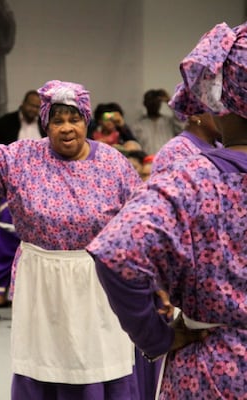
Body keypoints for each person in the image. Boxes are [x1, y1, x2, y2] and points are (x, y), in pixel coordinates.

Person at [87, 21, 247, 399]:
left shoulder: (191, 181)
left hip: (212, 371)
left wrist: (153, 336)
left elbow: (116, 253)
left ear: (222, 103)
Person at [0, 80, 142, 398]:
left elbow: (140, 218)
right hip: (42, 281)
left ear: (87, 120)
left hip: (98, 280)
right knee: (43, 364)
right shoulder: (23, 156)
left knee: (100, 362)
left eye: (75, 119)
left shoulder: (113, 163)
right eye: (57, 120)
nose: (66, 128)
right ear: (46, 124)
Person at [131, 88, 183, 155]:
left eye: (156, 101)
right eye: (150, 101)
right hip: (147, 162)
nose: (153, 104)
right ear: (145, 103)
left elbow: (182, 124)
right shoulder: (138, 125)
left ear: (160, 103)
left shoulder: (169, 122)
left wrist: (170, 101)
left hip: (168, 160)